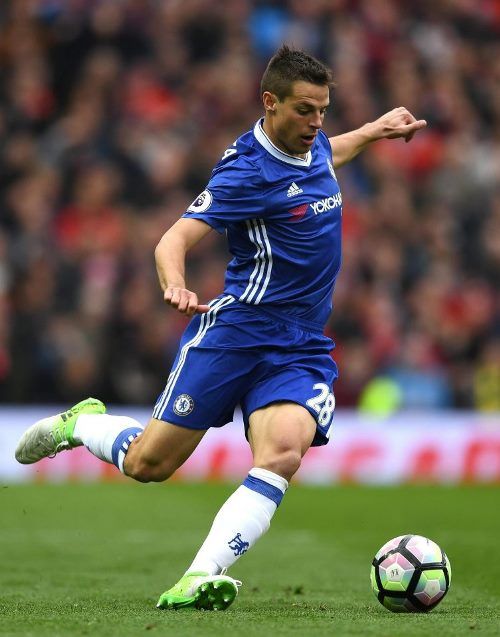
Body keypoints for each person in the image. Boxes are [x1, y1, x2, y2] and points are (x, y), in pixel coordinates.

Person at [15, 45, 426, 611]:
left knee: (282, 454)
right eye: (304, 110)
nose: (316, 123)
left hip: (300, 345)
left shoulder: (312, 144)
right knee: (149, 465)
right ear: (270, 102)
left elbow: (333, 152)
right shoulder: (245, 172)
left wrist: (374, 131)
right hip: (236, 335)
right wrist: (175, 284)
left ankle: (199, 576)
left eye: (323, 111)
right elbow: (173, 238)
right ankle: (82, 423)